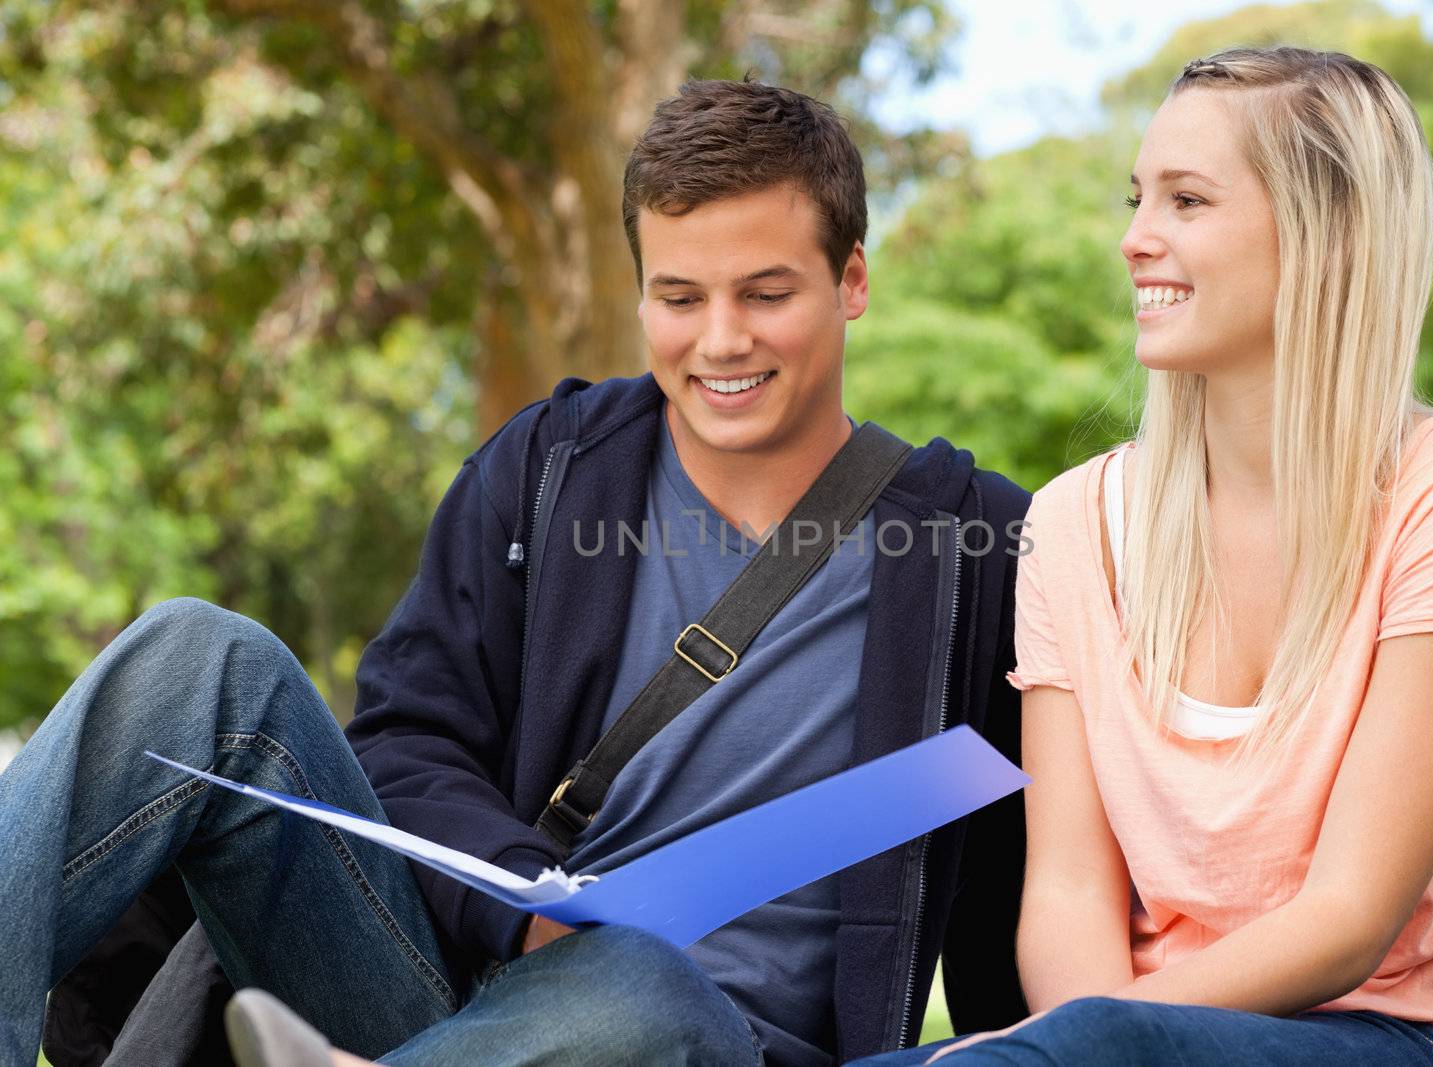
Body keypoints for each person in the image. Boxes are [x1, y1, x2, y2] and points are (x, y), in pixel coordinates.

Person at [0, 79, 1032, 1067]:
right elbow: (406, 744)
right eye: (680, 295)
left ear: (851, 279)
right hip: (455, 986)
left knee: (640, 986)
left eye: (765, 293)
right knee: (196, 657)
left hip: (703, 1039)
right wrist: (529, 902)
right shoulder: (550, 466)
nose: (721, 339)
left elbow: (1047, 873)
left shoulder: (976, 546)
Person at [854, 45, 1433, 1066]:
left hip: (1376, 1033)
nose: (1136, 239)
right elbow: (1065, 886)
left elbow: (1350, 916)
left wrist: (1095, 1037)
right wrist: (1089, 1036)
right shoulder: (1071, 522)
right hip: (1106, 1030)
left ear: (1330, 234)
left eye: (1186, 201)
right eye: (1136, 198)